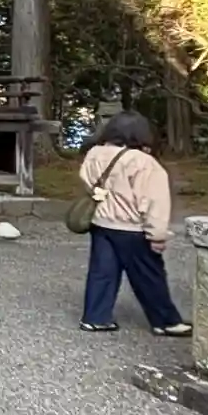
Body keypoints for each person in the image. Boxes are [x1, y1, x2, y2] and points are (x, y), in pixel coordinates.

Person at [78, 111, 191, 336]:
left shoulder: (95, 153)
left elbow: (87, 181)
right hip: (132, 227)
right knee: (149, 275)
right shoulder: (143, 162)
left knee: (102, 272)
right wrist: (157, 234)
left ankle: (95, 317)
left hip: (101, 223)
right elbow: (154, 201)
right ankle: (165, 321)